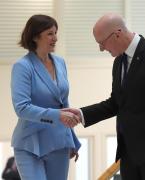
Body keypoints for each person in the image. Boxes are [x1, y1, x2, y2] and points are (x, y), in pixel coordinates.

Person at [64, 13, 145, 180]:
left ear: (117, 34)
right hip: (128, 156)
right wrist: (81, 114)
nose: (101, 49)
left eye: (101, 43)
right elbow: (116, 103)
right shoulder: (119, 62)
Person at [11, 14, 81, 180]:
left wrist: (72, 140)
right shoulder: (22, 67)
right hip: (29, 143)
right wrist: (57, 115)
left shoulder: (60, 63)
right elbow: (22, 108)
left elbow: (64, 104)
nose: (55, 38)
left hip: (59, 141)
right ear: (35, 36)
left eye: (56, 33)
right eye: (50, 33)